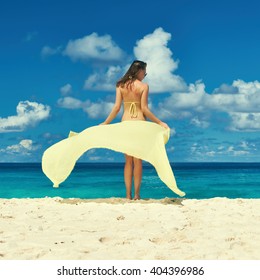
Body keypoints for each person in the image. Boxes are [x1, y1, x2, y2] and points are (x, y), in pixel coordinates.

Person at [101, 60, 169, 200]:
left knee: (128, 162)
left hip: (126, 125)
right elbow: (144, 109)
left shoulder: (120, 85)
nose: (145, 75)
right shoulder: (143, 86)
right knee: (138, 161)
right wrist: (160, 122)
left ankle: (127, 195)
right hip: (139, 125)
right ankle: (137, 195)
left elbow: (116, 108)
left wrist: (105, 123)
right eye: (145, 72)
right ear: (139, 71)